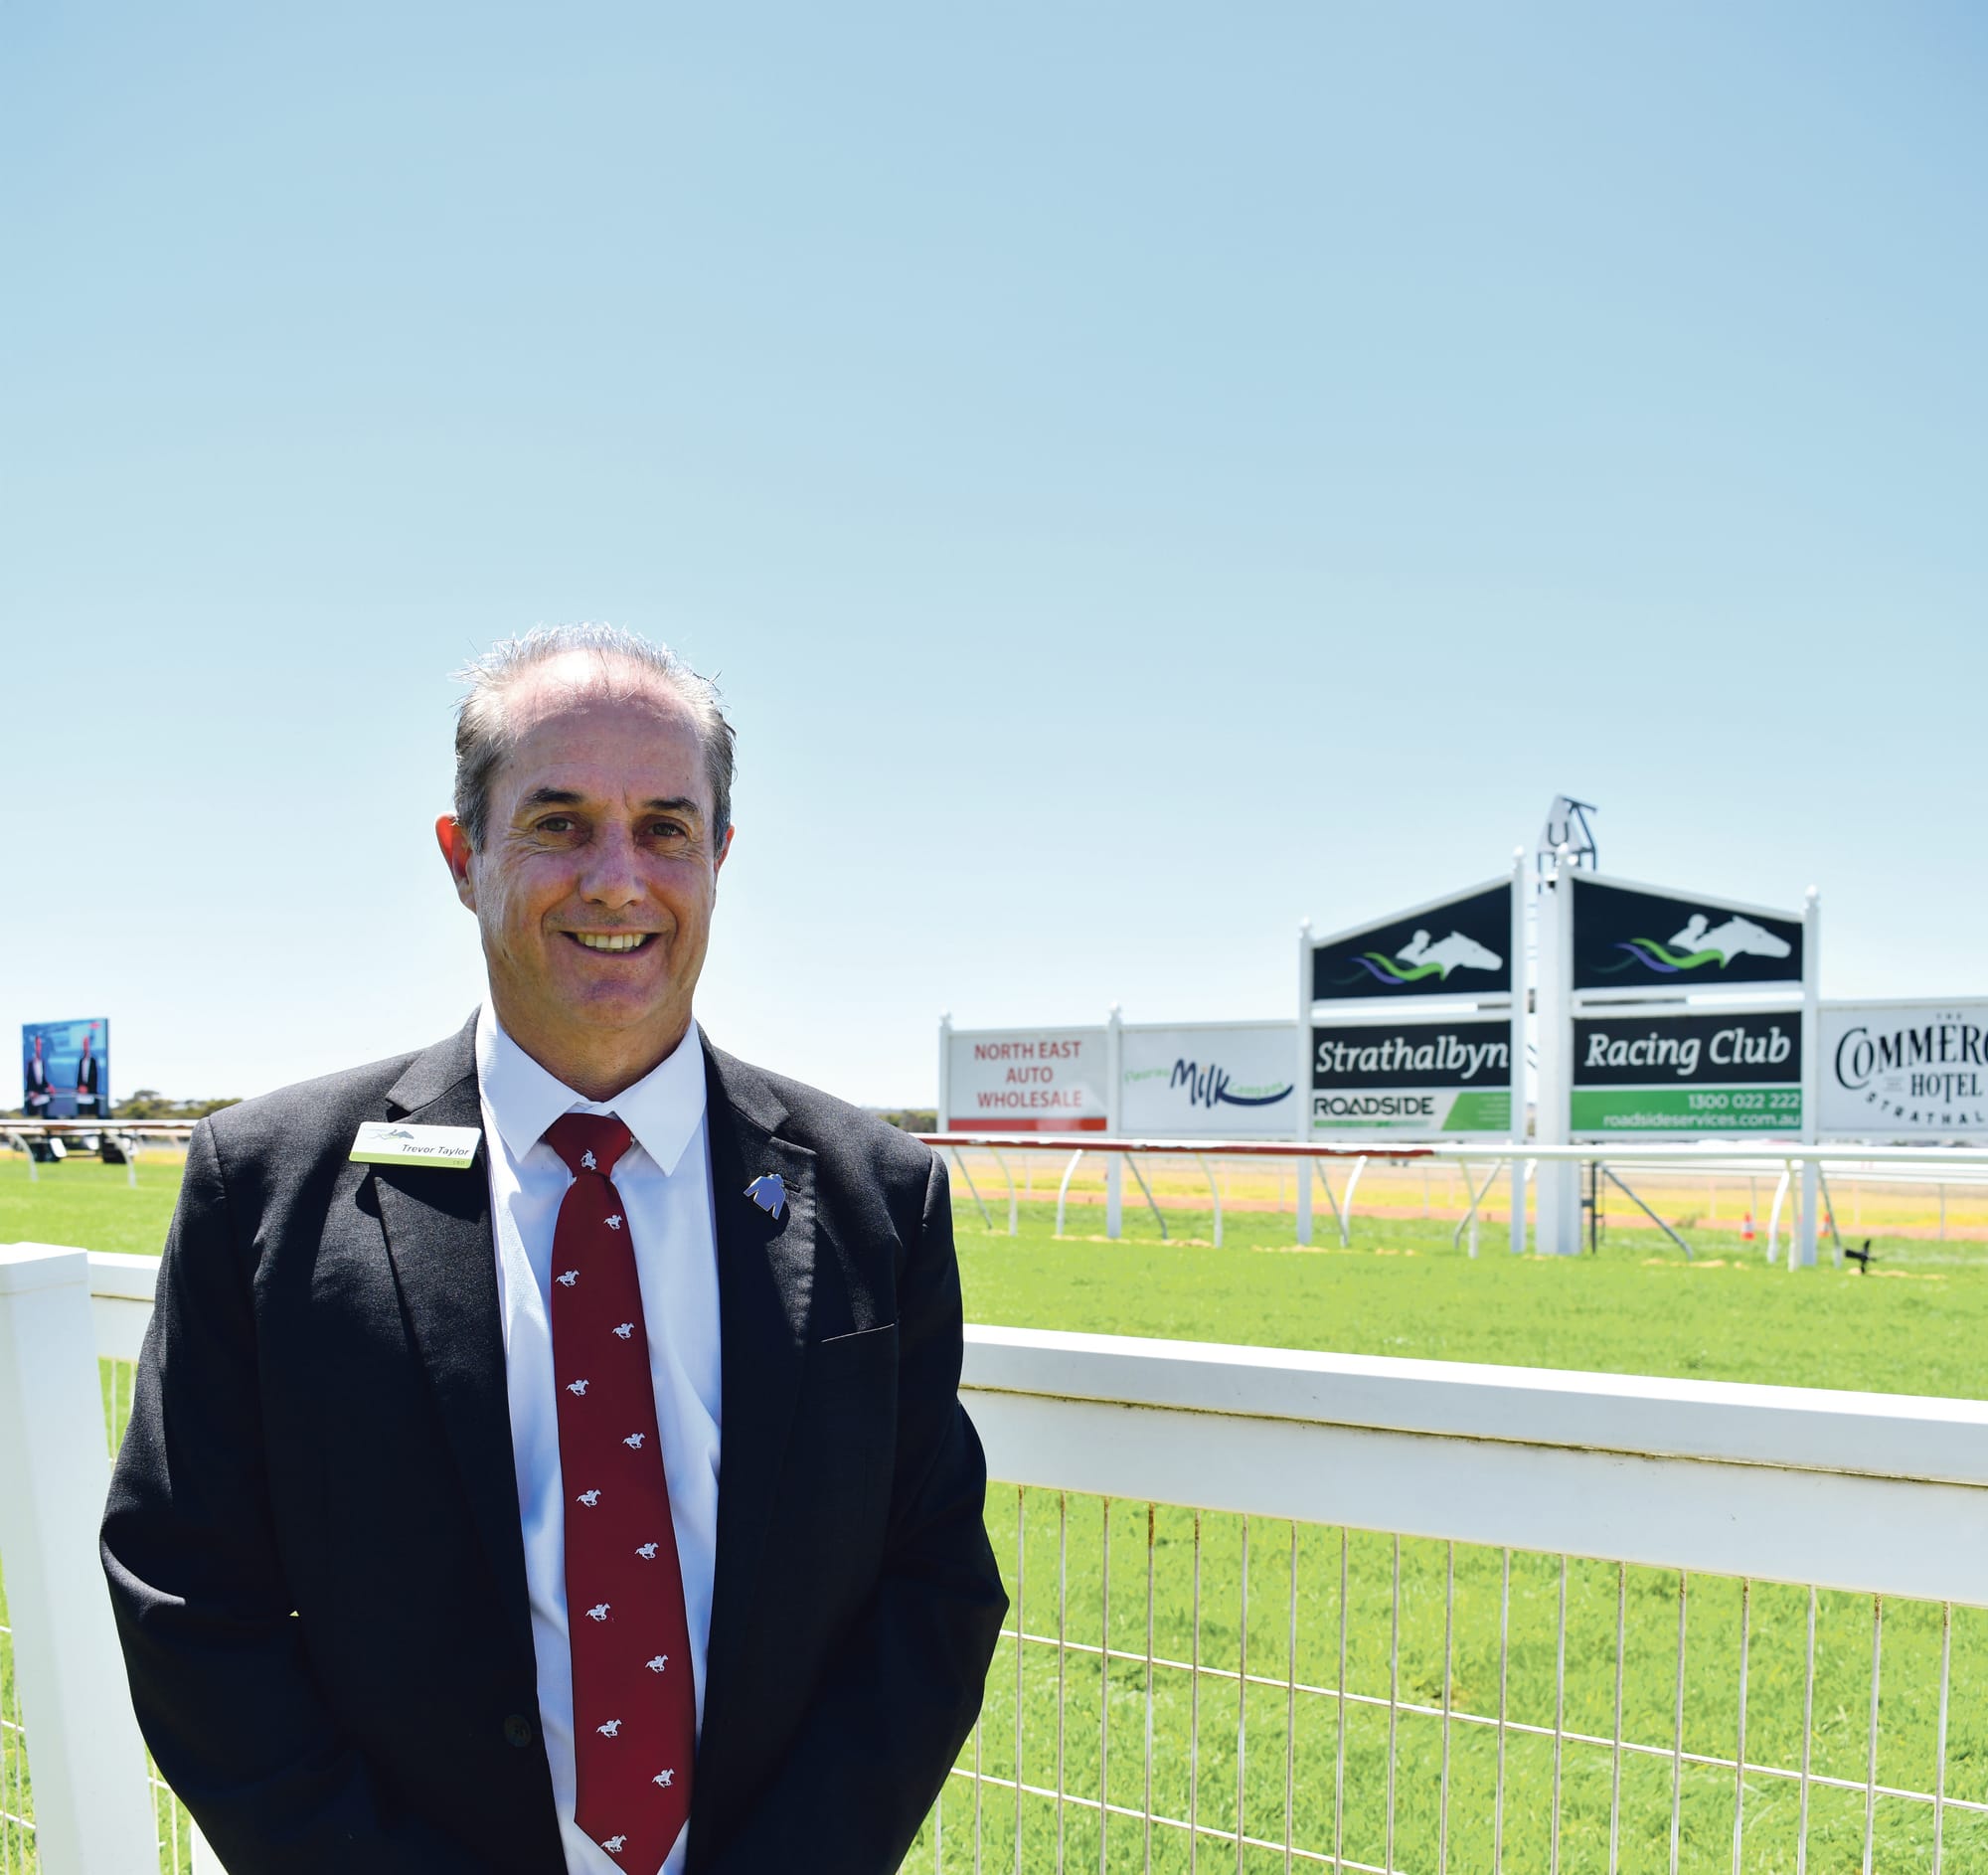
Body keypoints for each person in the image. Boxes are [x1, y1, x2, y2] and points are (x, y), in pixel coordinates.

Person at [102, 625, 1006, 1875]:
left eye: (665, 827)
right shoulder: (262, 1186)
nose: (617, 880)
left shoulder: (876, 1196)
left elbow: (933, 1582)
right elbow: (185, 1587)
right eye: (559, 822)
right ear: (461, 855)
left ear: (719, 855)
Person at [75, 1029, 103, 1117]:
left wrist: (88, 1088)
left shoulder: (94, 1060)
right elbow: (79, 1077)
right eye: (84, 1044)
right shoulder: (81, 1060)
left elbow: (96, 1078)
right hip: (81, 1095)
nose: (85, 1046)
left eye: (87, 1044)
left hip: (92, 1094)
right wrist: (80, 1087)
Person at [24, 1034, 52, 1118]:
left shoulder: (43, 1062)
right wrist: (32, 1093)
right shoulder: (27, 1062)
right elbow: (26, 1081)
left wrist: (49, 1086)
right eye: (37, 1044)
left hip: (43, 1097)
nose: (39, 1047)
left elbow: (43, 1080)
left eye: (40, 1045)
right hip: (31, 1100)